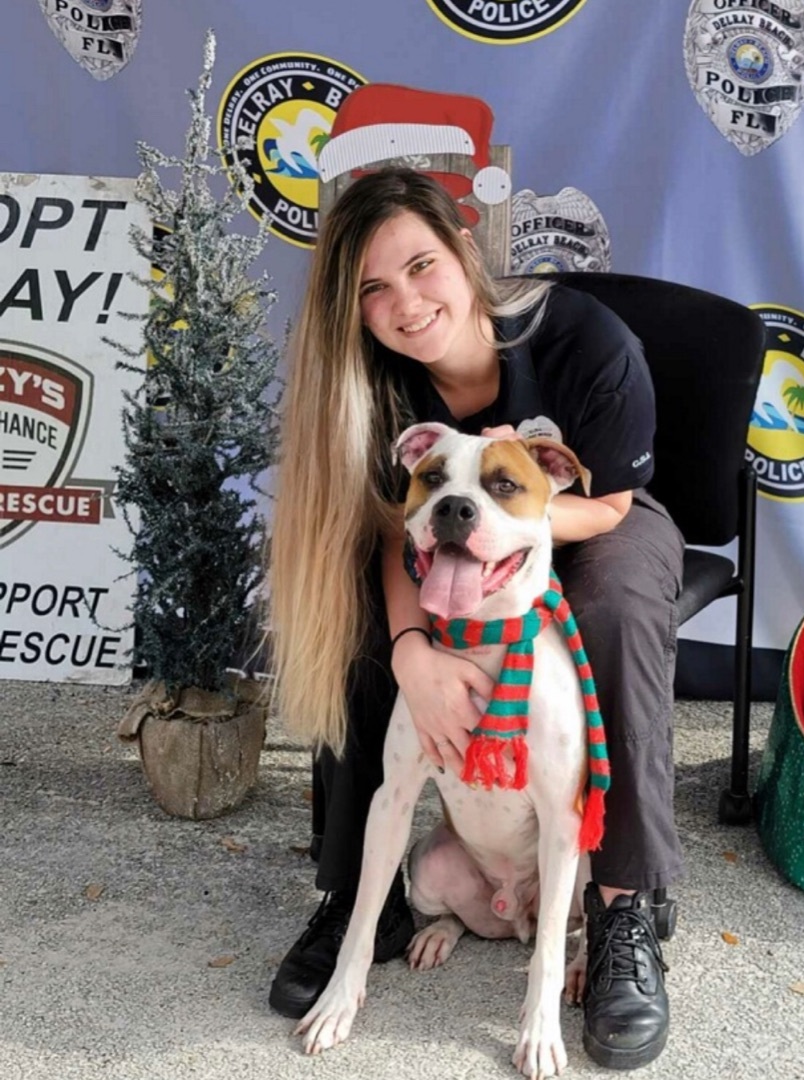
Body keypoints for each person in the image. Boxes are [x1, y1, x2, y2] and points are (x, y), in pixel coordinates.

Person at [267, 167, 684, 1069]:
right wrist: (413, 646)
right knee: (356, 616)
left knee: (610, 606)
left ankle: (620, 912)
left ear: (463, 252)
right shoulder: (375, 381)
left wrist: (508, 530)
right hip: (449, 534)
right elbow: (392, 529)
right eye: (373, 290)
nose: (405, 304)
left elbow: (609, 505)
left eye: (420, 266)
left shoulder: (586, 343)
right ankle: (353, 897)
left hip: (591, 516)